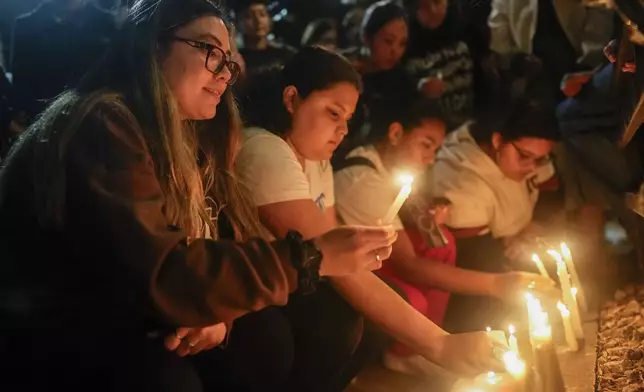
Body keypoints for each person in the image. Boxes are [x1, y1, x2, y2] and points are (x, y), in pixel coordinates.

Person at [0, 1, 396, 390]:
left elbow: (214, 238)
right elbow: (159, 269)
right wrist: (310, 256)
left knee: (265, 337)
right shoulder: (103, 123)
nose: (225, 74)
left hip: (123, 300)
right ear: (153, 46)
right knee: (170, 378)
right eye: (210, 51)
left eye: (229, 61)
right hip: (53, 320)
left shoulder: (190, 136)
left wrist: (215, 311)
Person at [236, 46, 509, 390]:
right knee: (337, 320)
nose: (343, 131)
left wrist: (361, 243)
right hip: (259, 284)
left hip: (297, 278)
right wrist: (440, 344)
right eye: (333, 113)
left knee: (369, 309)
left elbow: (331, 238)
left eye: (347, 119)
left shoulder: (316, 159)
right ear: (292, 99)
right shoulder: (264, 149)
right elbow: (325, 256)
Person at [334, 98, 556, 375]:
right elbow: (408, 265)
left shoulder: (388, 168)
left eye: (436, 149)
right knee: (413, 299)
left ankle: (422, 346)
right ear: (395, 134)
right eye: (425, 145)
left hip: (375, 255)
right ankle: (408, 351)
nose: (431, 159)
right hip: (347, 270)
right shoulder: (363, 182)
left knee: (443, 243)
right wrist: (499, 284)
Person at [428, 98, 560, 333]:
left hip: (515, 242)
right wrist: (511, 244)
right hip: (479, 274)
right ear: (497, 140)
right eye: (525, 156)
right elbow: (477, 259)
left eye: (540, 159)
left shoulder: (529, 155)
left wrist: (533, 229)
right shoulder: (462, 182)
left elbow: (551, 196)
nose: (532, 167)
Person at [9, 0, 118, 124]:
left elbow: (112, 78)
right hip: (40, 122)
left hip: (92, 120)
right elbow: (20, 81)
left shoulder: (107, 24)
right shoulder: (26, 25)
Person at [488, 0, 614, 103]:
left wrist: (587, 64)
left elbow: (600, 13)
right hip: (531, 76)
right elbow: (499, 30)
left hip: (582, 64)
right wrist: (515, 65)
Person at [402, 0, 475, 130]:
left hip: (467, 125)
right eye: (424, 6)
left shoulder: (466, 34)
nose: (433, 11)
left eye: (437, 2)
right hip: (428, 128)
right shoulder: (403, 45)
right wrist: (418, 88)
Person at [233, 0, 295, 79]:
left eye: (262, 14)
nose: (258, 21)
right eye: (248, 16)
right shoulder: (236, 60)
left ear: (270, 20)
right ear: (238, 23)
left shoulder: (285, 56)